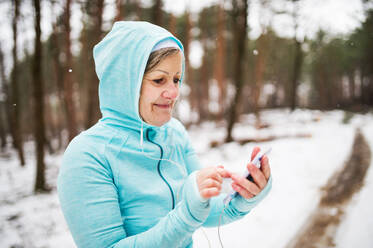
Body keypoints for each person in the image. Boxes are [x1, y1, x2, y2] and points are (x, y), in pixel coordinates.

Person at [57, 21, 272, 248]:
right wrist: (185, 216)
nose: (174, 93)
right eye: (159, 80)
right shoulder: (87, 155)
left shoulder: (174, 133)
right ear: (125, 83)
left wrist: (245, 196)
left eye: (177, 79)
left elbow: (203, 210)